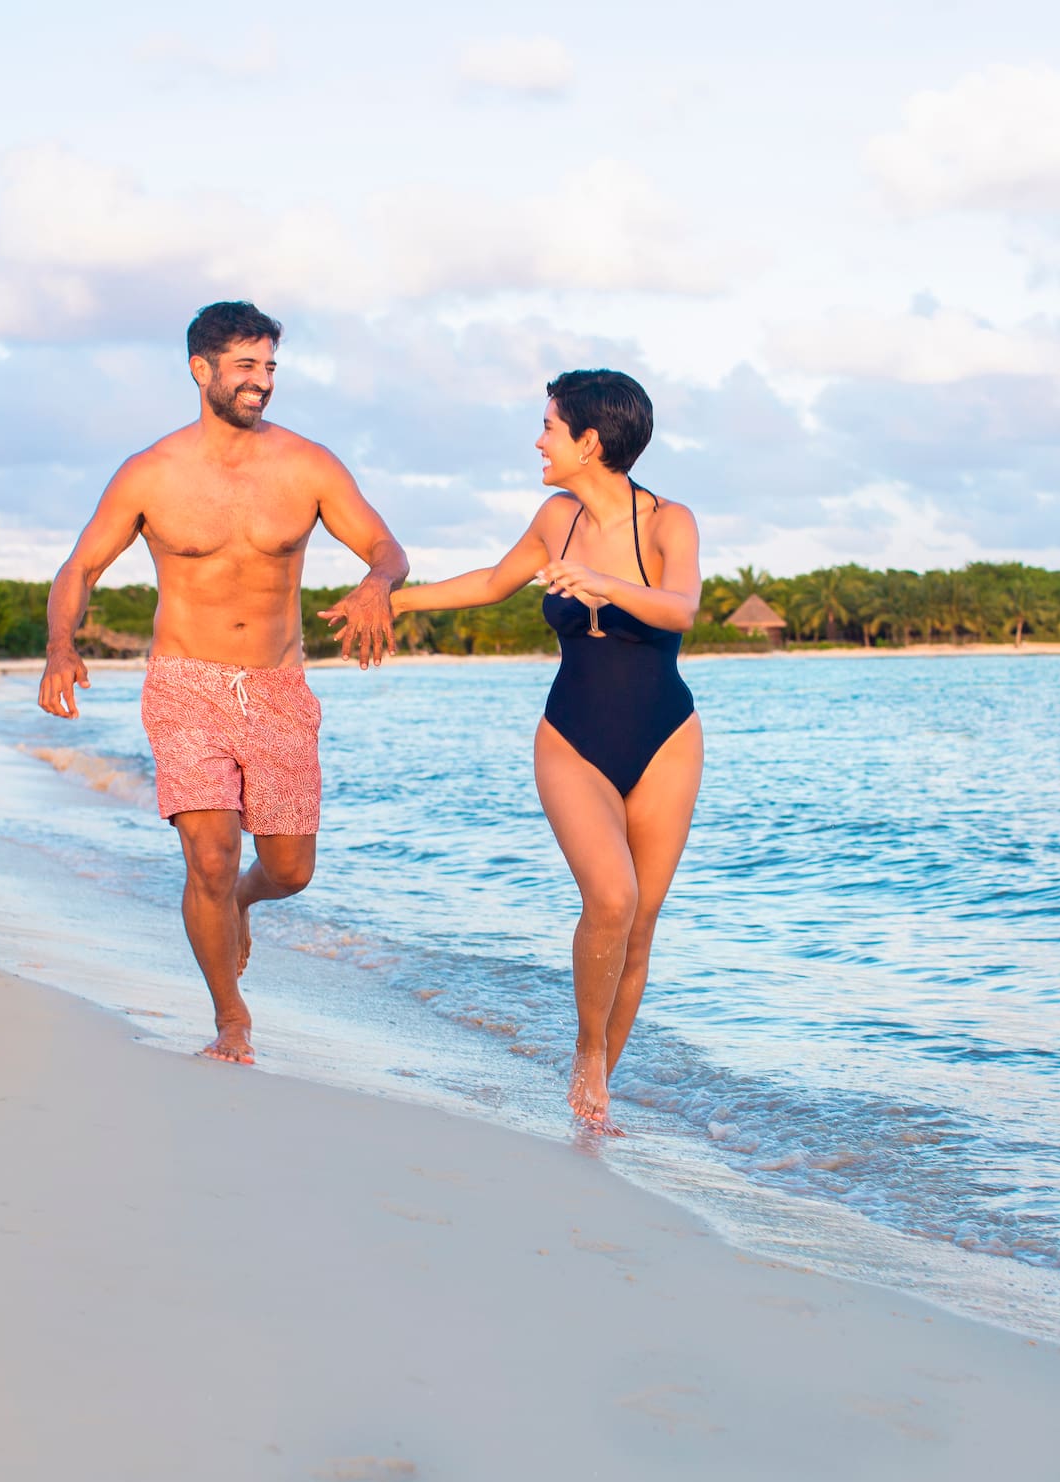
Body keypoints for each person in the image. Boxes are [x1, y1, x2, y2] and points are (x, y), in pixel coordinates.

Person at [38, 301, 406, 1066]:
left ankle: (243, 901)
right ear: (200, 370)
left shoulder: (308, 465)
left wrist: (376, 583)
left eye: (269, 366)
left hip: (276, 685)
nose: (261, 382)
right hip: (185, 684)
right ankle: (231, 1019)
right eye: (245, 366)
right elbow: (81, 565)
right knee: (207, 855)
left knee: (289, 870)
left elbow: (385, 545)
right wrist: (59, 645)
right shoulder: (150, 473)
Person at [390, 370, 702, 1133]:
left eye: (550, 427)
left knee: (643, 923)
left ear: (589, 441)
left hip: (666, 738)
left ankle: (597, 1102)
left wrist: (603, 582)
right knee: (612, 899)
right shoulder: (554, 518)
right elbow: (492, 583)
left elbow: (680, 606)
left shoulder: (668, 521)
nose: (539, 439)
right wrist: (390, 599)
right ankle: (587, 1051)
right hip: (572, 738)